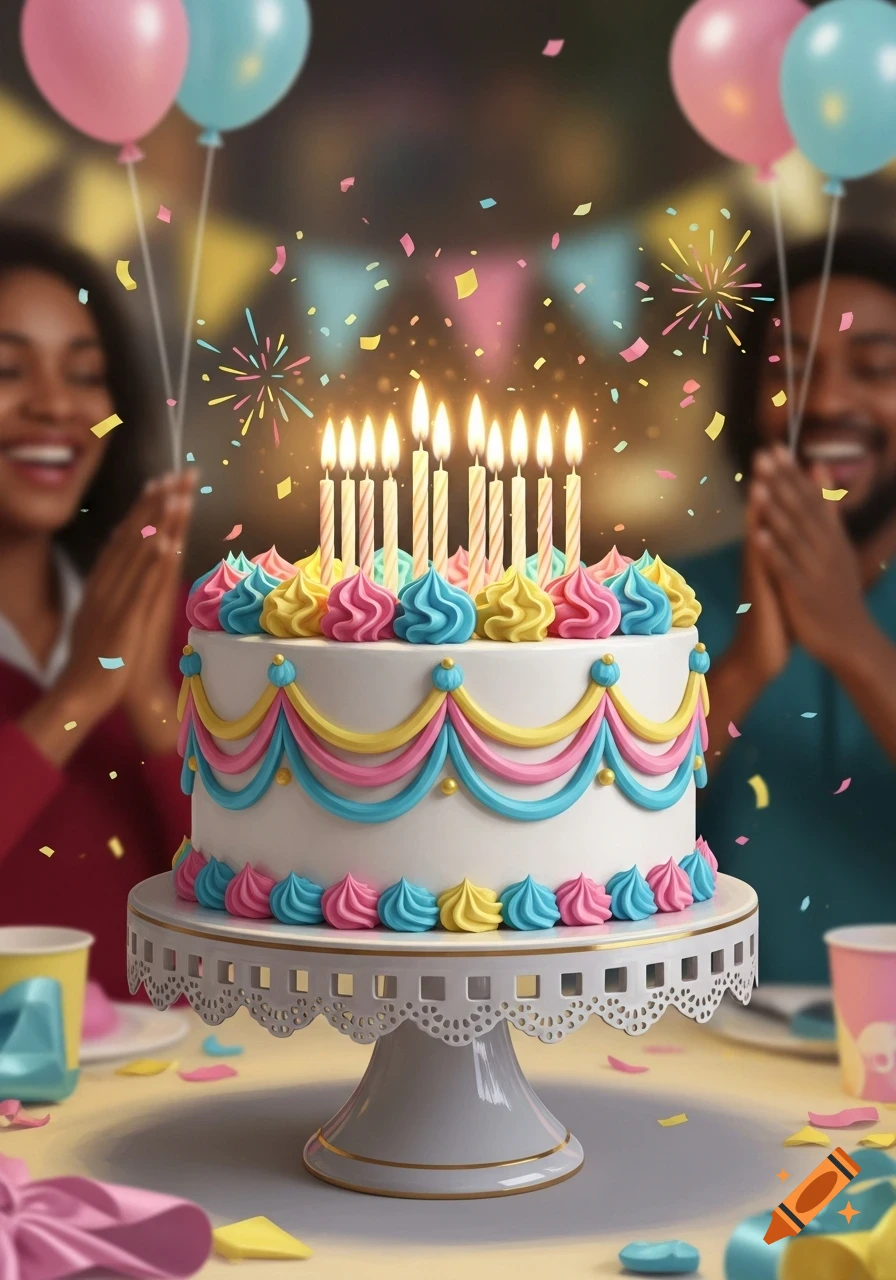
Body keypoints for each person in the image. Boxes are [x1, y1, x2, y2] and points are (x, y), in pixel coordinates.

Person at [682, 232, 896, 984]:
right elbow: (591, 846)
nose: (828, 404)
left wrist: (850, 639)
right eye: (791, 372)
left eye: (875, 369)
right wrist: (743, 669)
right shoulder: (666, 604)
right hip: (706, 1052)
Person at [0, 225, 195, 997]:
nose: (55, 406)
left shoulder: (174, 631)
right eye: (8, 367)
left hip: (169, 1090)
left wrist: (149, 699)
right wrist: (79, 698)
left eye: (86, 375)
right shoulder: (94, 662)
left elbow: (257, 902)